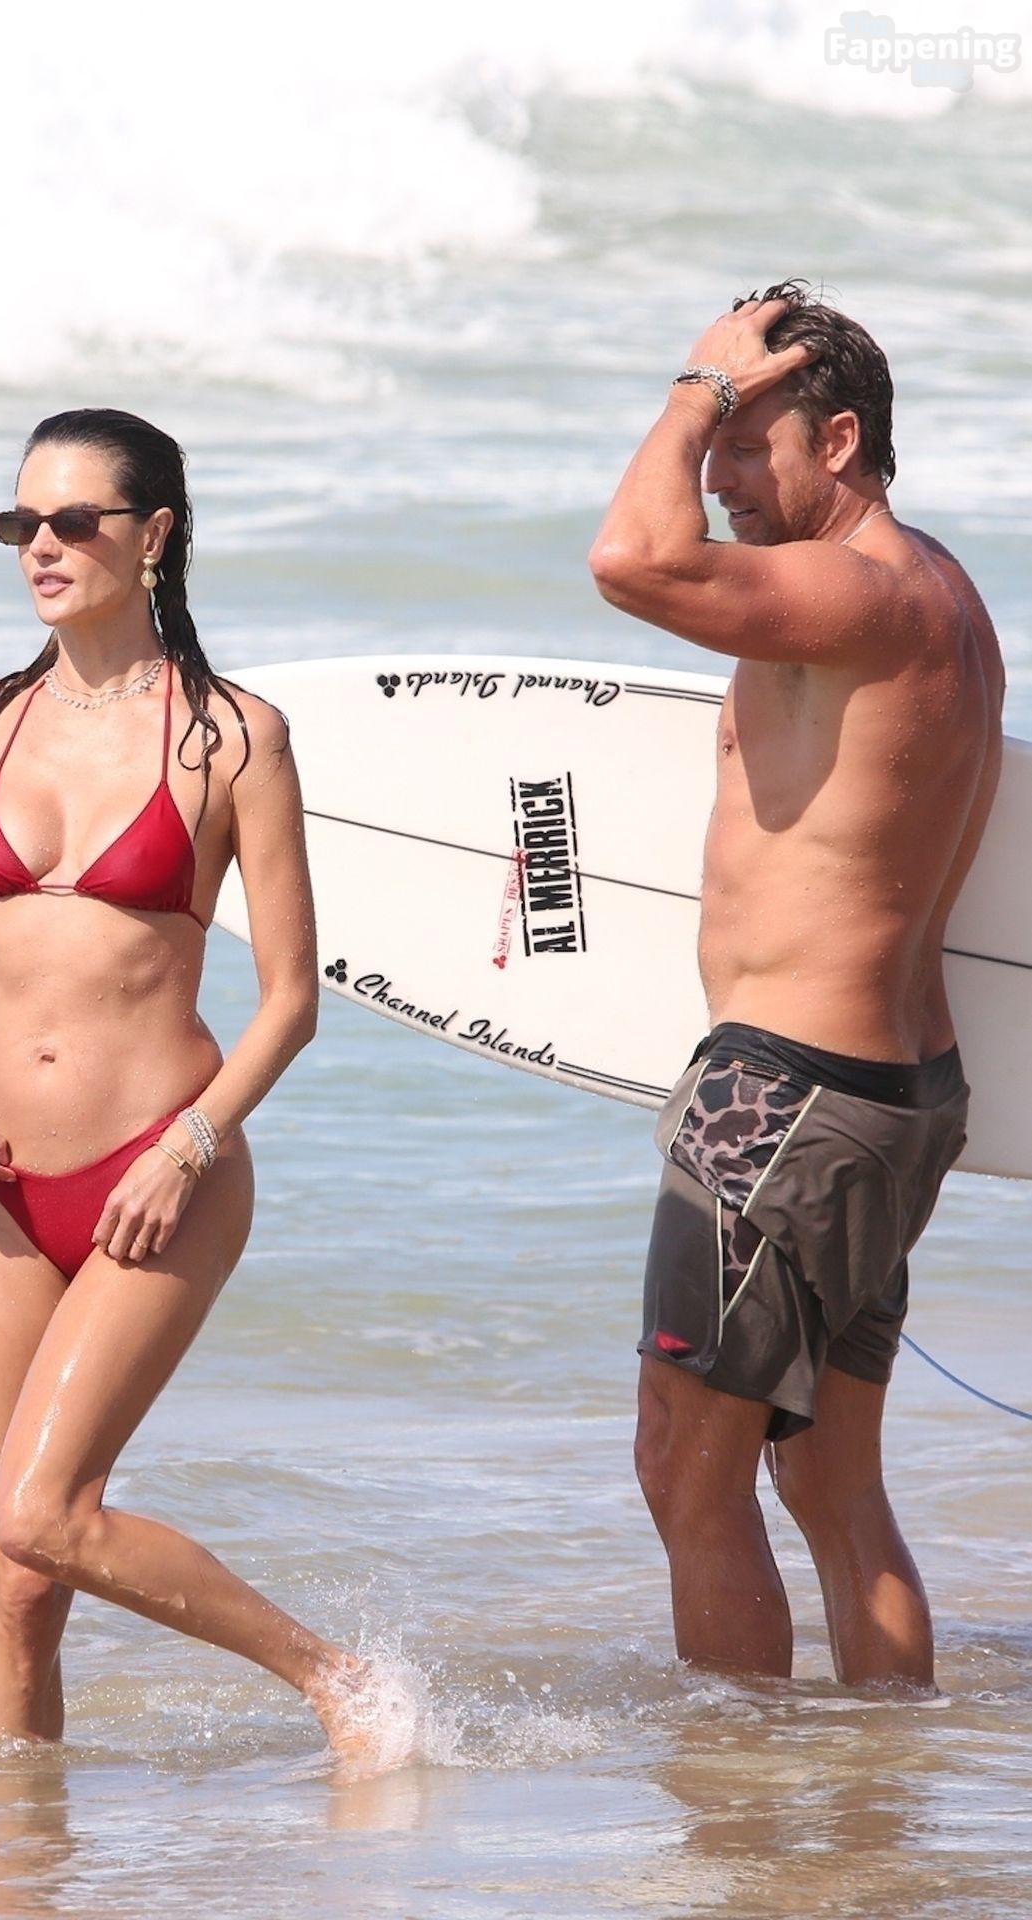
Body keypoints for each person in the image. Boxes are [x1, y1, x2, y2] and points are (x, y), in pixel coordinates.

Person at [0, 407, 410, 1770]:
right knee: (17, 1582)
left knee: (41, 1512)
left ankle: (335, 1678)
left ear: (154, 534)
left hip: (157, 1174)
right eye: (20, 524)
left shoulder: (232, 738)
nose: (41, 547)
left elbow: (289, 998)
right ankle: (19, 1863)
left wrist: (189, 1146)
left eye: (74, 522)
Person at [587, 281, 1004, 1688]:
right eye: (713, 445)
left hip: (784, 1102)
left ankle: (742, 1806)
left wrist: (690, 387)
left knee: (685, 1471)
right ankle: (873, 1790)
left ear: (837, 442)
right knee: (827, 1480)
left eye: (743, 443)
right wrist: (715, 407)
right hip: (889, 1098)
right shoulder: (937, 592)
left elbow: (630, 562)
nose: (716, 475)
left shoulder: (854, 592)